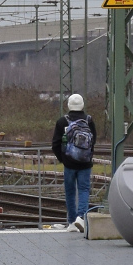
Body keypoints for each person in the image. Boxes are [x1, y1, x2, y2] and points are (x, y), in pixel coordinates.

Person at [51, 93, 97, 231]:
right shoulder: (89, 120)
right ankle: (81, 217)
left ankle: (71, 222)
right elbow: (93, 140)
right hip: (85, 163)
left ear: (69, 105)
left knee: (70, 192)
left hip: (69, 164)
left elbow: (55, 144)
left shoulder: (62, 122)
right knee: (84, 189)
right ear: (82, 104)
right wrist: (87, 156)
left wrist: (63, 159)